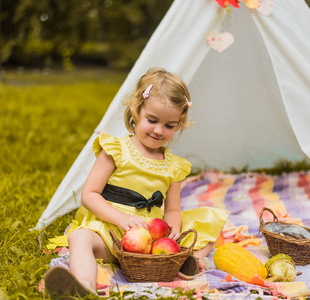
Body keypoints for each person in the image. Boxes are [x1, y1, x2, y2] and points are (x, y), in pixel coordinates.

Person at [44, 67, 228, 297]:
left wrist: (174, 233)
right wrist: (120, 219)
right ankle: (83, 287)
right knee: (79, 237)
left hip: (151, 243)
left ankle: (180, 260)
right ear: (136, 110)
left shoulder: (174, 166)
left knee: (206, 226)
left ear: (179, 124)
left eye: (170, 125)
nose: (159, 130)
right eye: (152, 120)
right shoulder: (116, 150)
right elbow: (89, 194)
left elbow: (172, 209)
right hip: (110, 233)